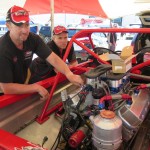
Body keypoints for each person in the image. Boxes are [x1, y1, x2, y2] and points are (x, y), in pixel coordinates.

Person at [0, 5, 84, 100]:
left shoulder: (33, 39)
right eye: (19, 26)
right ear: (8, 26)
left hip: (22, 82)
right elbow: (7, 88)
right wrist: (35, 87)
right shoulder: (3, 49)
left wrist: (69, 74)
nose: (25, 30)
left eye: (27, 25)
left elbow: (53, 58)